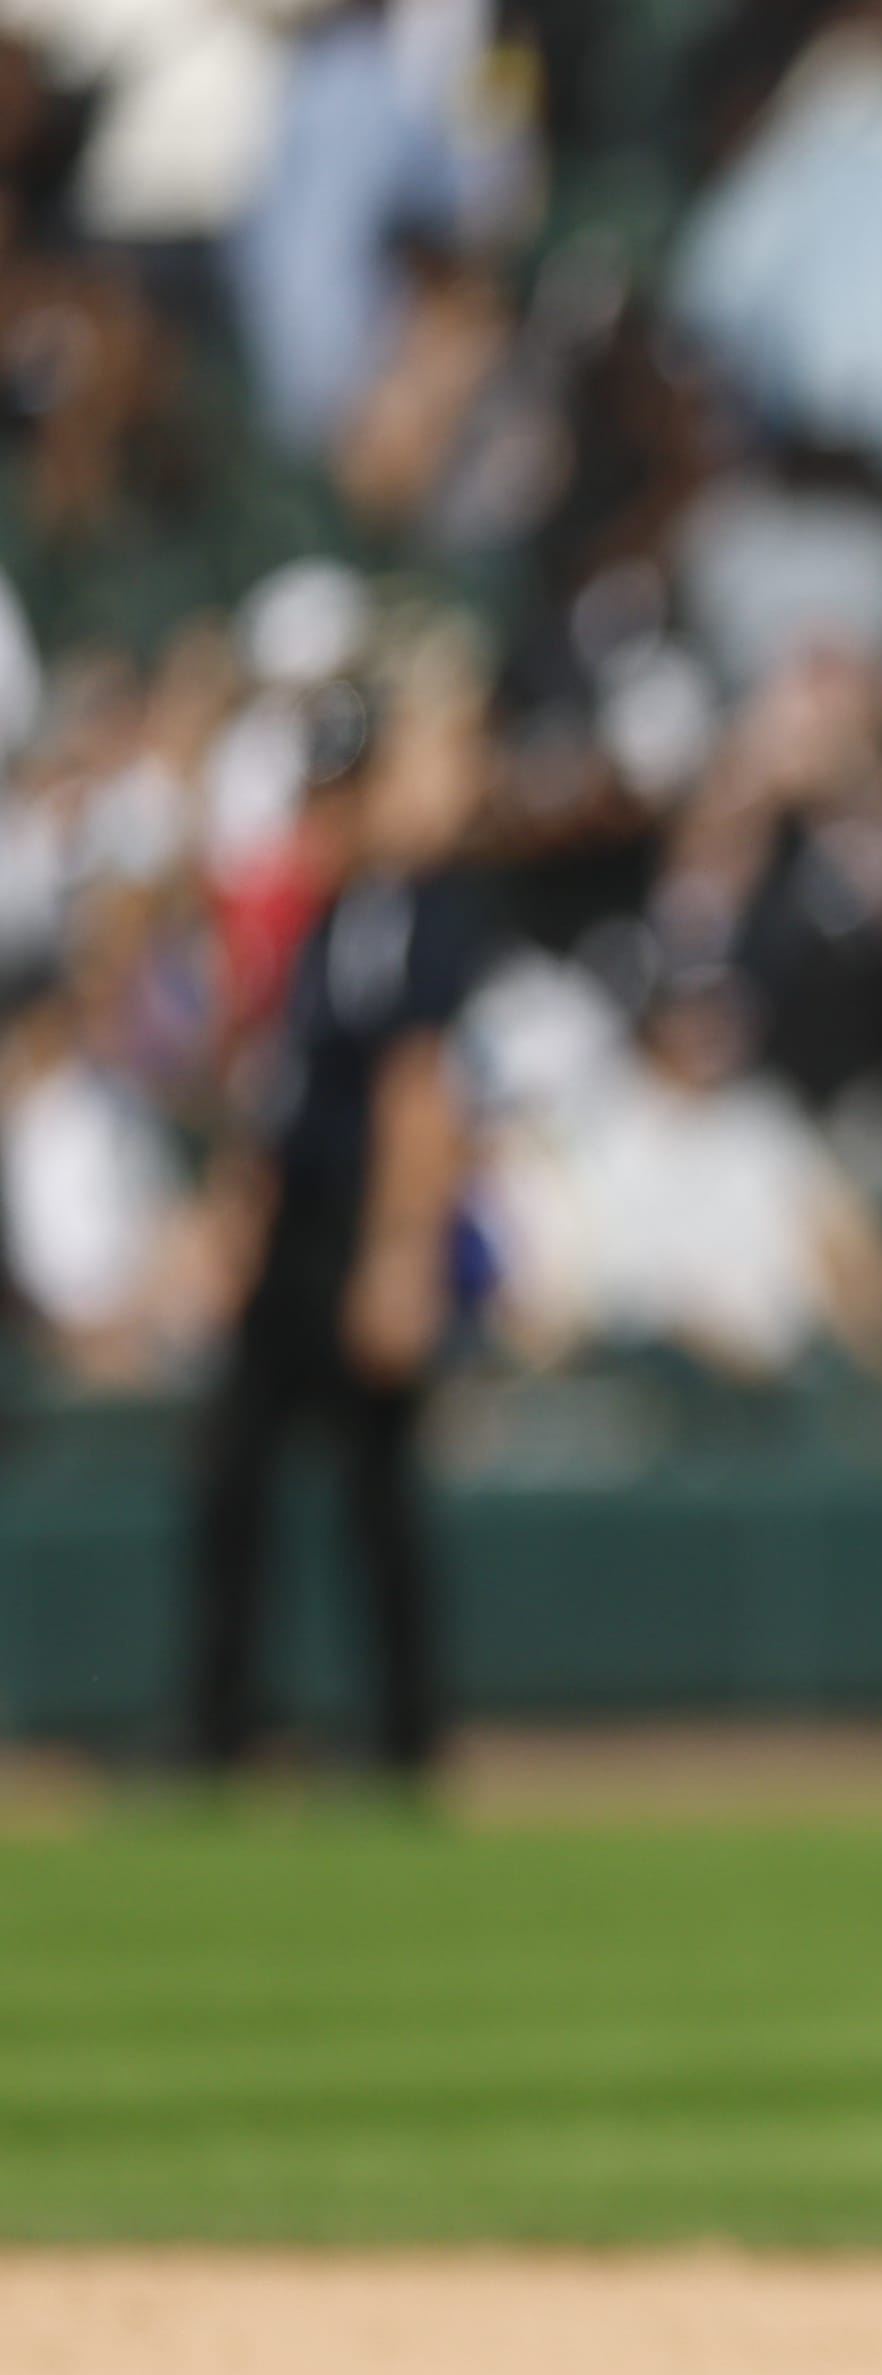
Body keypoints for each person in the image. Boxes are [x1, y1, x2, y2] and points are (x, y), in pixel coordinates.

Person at [183, 676, 482, 1782]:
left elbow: (420, 1092)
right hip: (302, 1224)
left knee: (375, 1487)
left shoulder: (419, 907)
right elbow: (276, 1088)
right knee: (235, 1470)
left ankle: (407, 1739)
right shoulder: (325, 916)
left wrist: (401, 1260)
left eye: (346, 787)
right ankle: (221, 1725)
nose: (328, 811)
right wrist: (241, 1221)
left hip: (362, 1223)